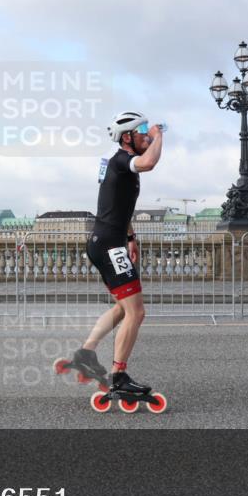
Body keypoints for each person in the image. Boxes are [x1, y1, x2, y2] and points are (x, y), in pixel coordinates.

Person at [68, 111, 163, 397]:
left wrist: (131, 238)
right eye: (142, 131)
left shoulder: (119, 165)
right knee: (137, 312)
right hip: (109, 245)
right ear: (127, 137)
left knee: (124, 308)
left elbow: (120, 208)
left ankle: (85, 354)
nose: (147, 135)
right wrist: (160, 135)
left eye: (148, 131)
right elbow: (149, 162)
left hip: (110, 243)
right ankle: (119, 376)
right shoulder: (122, 159)